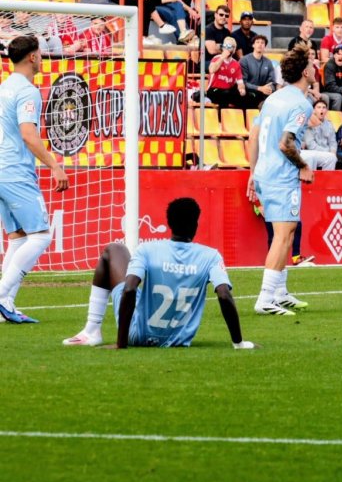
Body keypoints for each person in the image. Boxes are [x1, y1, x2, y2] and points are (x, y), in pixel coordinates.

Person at [61, 198, 255, 349]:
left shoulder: (148, 249)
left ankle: (92, 330)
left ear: (169, 223)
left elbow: (129, 289)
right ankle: (92, 331)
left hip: (137, 334)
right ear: (196, 225)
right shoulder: (210, 256)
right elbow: (223, 294)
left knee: (114, 249)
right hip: (177, 339)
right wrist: (238, 343)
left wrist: (121, 344)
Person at [0, 37, 69, 323]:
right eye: (39, 53)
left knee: (18, 237)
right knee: (42, 235)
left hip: (2, 168)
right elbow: (28, 135)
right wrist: (55, 165)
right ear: (32, 57)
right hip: (15, 169)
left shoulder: (4, 86)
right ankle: (1, 294)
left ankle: (6, 305)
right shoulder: (27, 92)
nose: (42, 58)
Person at [245, 47, 315, 316]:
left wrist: (252, 172)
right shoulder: (300, 103)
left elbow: (254, 134)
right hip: (282, 177)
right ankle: (265, 299)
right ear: (305, 71)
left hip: (264, 172)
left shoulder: (273, 98)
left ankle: (280, 292)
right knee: (283, 235)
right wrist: (304, 166)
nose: (314, 68)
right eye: (311, 64)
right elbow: (286, 143)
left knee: (286, 232)